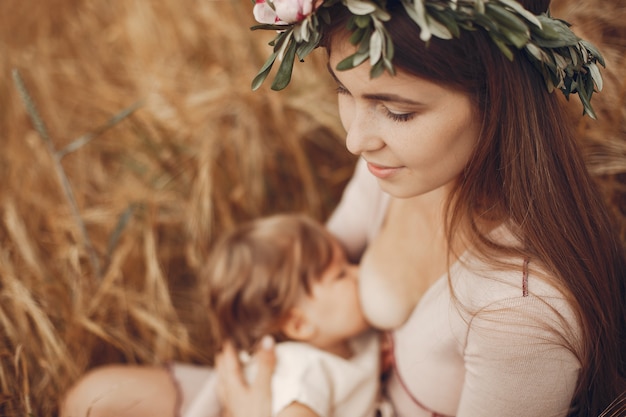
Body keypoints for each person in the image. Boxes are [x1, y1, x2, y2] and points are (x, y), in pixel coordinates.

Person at [61, 0, 626, 416]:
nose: (357, 140)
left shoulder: (519, 310)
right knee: (97, 398)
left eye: (396, 112)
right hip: (317, 391)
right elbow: (309, 272)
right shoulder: (401, 172)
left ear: (499, 99)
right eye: (343, 92)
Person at [60, 213, 382, 417]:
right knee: (90, 398)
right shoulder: (302, 373)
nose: (359, 271)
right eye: (341, 274)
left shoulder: (348, 335)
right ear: (299, 323)